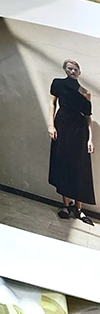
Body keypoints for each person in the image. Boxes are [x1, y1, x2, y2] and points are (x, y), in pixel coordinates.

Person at [49, 59, 96, 225]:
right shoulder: (58, 84)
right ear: (65, 70)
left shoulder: (85, 93)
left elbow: (88, 117)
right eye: (69, 69)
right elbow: (52, 104)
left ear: (79, 72)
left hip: (79, 131)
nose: (72, 71)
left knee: (79, 168)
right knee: (64, 165)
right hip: (62, 127)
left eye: (75, 69)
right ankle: (66, 206)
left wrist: (90, 139)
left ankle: (79, 209)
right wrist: (51, 125)